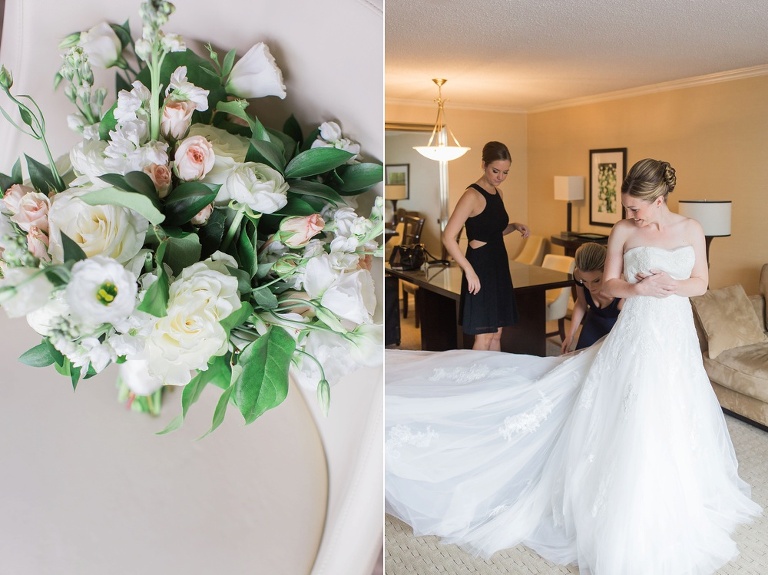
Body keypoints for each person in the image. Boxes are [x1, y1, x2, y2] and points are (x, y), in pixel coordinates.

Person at [385, 158, 761, 574]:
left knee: (675, 406)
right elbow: (610, 284)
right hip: (637, 330)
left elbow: (701, 283)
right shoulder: (622, 231)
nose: (629, 215)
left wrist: (671, 285)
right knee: (630, 407)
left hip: (674, 335)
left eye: (636, 208)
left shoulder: (690, 229)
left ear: (659, 200)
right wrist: (639, 286)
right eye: (626, 208)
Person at [441, 141, 530, 351]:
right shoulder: (471, 195)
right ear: (483, 165)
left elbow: (492, 231)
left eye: (505, 172)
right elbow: (448, 237)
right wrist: (469, 271)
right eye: (495, 171)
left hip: (498, 263)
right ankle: (476, 381)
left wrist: (514, 226)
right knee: (484, 335)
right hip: (480, 266)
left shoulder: (499, 194)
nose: (500, 177)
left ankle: (494, 379)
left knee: (497, 333)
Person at [560, 242, 622, 353]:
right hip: (592, 323)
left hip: (617, 328)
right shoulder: (577, 274)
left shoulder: (621, 284)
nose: (590, 287)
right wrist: (570, 335)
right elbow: (581, 303)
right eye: (584, 281)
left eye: (596, 280)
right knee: (580, 359)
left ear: (608, 270)